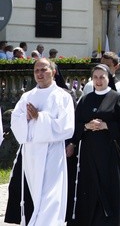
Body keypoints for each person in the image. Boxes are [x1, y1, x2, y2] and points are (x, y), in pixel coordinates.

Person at [5, 58, 75, 225]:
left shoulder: (63, 96)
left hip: (52, 151)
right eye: (36, 71)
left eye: (44, 70)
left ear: (54, 72)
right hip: (32, 152)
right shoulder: (27, 96)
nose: (39, 74)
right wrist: (27, 119)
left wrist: (40, 117)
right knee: (34, 193)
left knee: (50, 195)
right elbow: (16, 121)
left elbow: (67, 127)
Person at [68, 64, 120, 225]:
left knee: (110, 186)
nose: (98, 80)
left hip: (111, 152)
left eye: (102, 77)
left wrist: (107, 126)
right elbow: (75, 124)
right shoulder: (85, 99)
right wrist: (86, 126)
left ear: (108, 78)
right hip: (89, 152)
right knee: (90, 187)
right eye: (95, 77)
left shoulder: (117, 98)